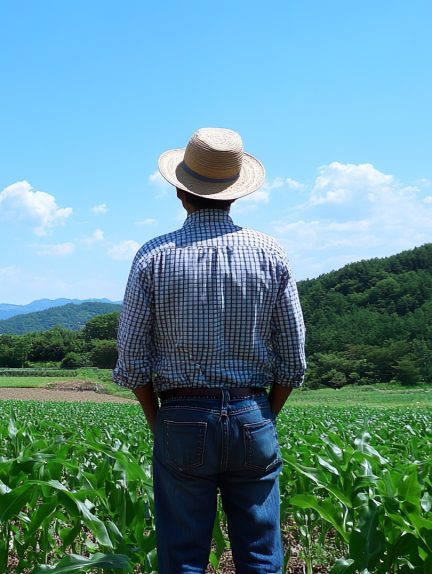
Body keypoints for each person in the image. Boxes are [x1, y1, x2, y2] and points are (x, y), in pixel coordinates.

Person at [113, 127, 306, 573]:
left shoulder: (153, 256)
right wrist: (263, 413)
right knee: (260, 555)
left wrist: (157, 419)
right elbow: (293, 359)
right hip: (252, 412)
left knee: (182, 557)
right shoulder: (270, 253)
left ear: (182, 190)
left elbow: (132, 358)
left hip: (180, 415)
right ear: (235, 193)